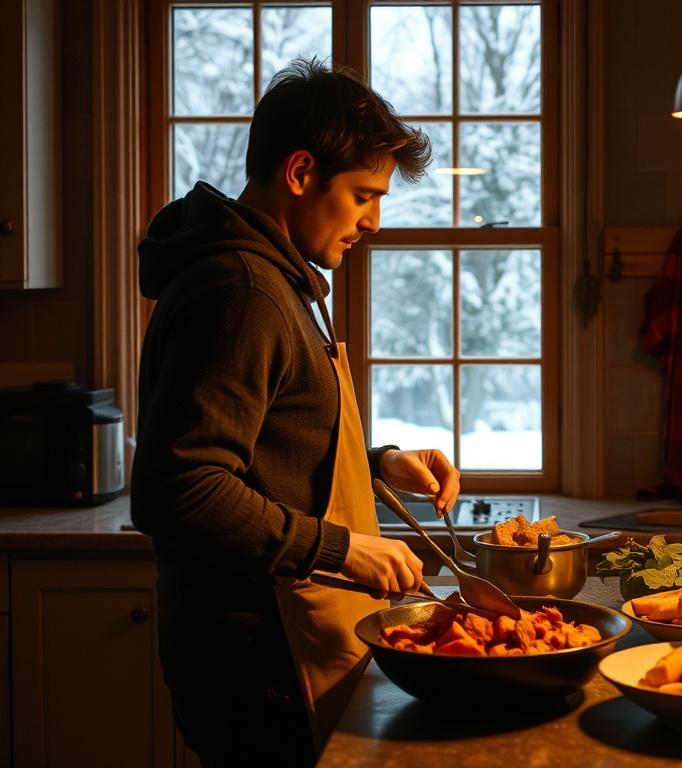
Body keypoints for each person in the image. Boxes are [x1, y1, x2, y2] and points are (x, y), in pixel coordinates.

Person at [131, 57, 458, 768]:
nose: (375, 221)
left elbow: (264, 452)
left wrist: (378, 465)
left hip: (268, 650)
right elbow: (178, 488)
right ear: (302, 173)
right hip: (256, 662)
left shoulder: (273, 278)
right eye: (365, 194)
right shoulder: (244, 290)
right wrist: (343, 548)